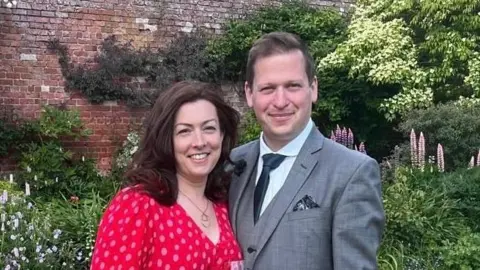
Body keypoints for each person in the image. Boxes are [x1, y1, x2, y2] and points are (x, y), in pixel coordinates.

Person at [228, 32, 385, 270]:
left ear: (313, 88)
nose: (280, 101)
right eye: (268, 88)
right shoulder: (231, 165)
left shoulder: (352, 173)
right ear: (250, 94)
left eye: (292, 86)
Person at [91, 81, 243, 270]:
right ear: (166, 140)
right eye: (184, 131)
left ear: (222, 135)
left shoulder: (226, 204)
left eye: (209, 128)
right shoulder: (138, 206)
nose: (199, 141)